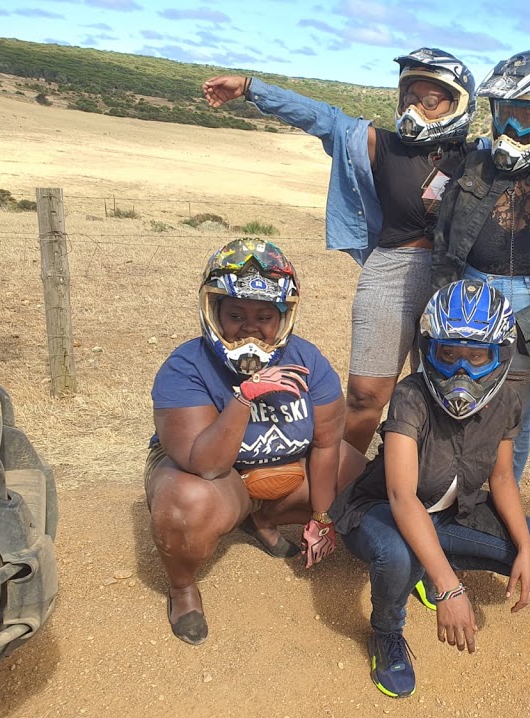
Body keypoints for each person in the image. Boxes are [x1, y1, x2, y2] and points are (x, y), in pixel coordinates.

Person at [203, 49, 480, 454]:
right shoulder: (379, 146)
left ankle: (426, 484)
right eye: (408, 97)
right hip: (391, 271)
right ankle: (341, 490)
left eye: (429, 100)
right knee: (367, 396)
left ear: (457, 104)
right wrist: (250, 88)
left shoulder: (480, 157)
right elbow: (323, 117)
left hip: (454, 280)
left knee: (446, 393)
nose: (413, 108)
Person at [330, 280, 530, 698]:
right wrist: (450, 586)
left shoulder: (508, 401)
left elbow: (501, 478)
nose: (462, 370)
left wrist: (525, 548)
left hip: (448, 515)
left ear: (500, 354)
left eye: (477, 355)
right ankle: (386, 631)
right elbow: (402, 497)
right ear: (428, 350)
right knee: (398, 551)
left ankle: (423, 563)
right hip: (380, 511)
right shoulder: (411, 396)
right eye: (449, 353)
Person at [146, 238, 364, 645]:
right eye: (236, 314)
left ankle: (260, 518)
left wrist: (321, 516)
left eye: (265, 315)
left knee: (354, 471)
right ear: (214, 312)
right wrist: (245, 396)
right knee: (187, 500)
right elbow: (207, 464)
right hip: (213, 476)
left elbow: (327, 444)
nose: (250, 326)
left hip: (278, 467)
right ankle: (182, 587)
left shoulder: (309, 361)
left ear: (283, 317)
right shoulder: (186, 365)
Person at [431, 50, 530, 482]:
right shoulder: (474, 162)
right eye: (506, 113)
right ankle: (449, 496)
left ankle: (501, 507)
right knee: (453, 398)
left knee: (514, 418)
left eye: (528, 114)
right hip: (468, 292)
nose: (513, 128)